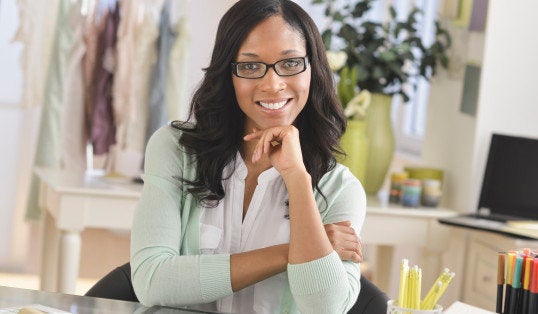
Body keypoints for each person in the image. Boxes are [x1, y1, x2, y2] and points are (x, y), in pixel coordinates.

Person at [130, 0, 367, 313]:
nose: (272, 84)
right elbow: (152, 280)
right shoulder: (176, 149)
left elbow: (325, 308)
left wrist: (297, 179)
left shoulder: (340, 188)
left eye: (291, 63)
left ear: (313, 69)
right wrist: (289, 253)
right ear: (229, 74)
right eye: (251, 66)